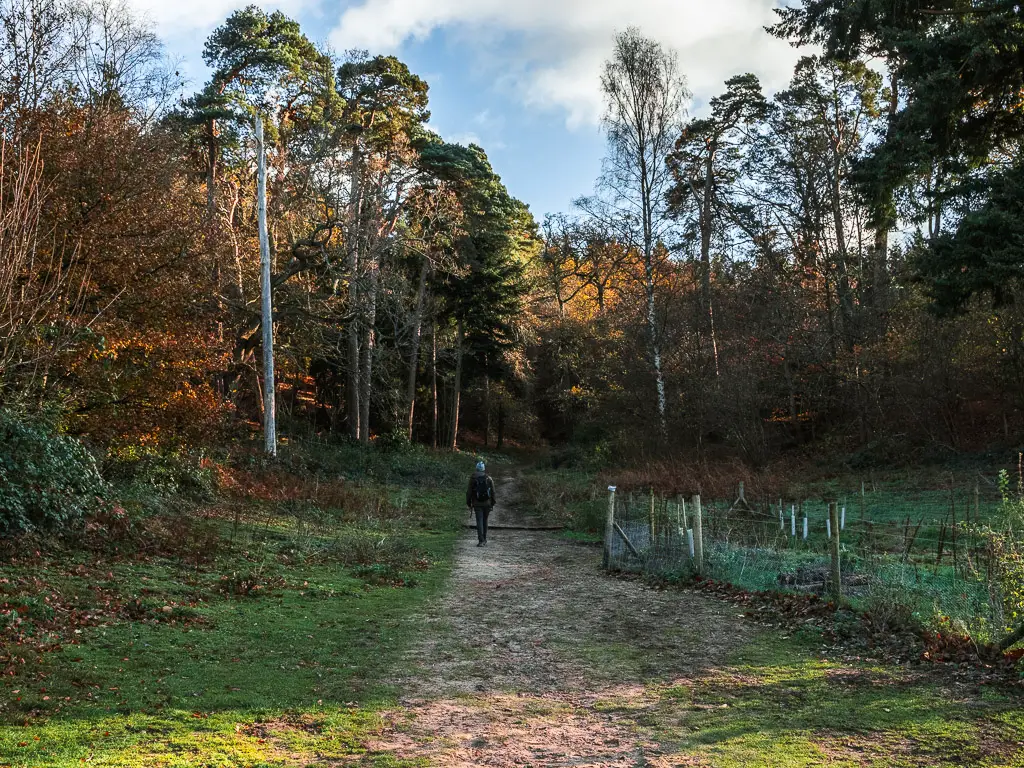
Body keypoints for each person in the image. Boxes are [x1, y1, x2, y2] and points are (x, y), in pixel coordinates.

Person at [466, 460, 496, 546]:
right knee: (485, 520)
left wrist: (468, 503)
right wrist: (493, 502)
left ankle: (481, 540)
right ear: (483, 469)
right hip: (487, 503)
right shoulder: (489, 478)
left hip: (477, 503)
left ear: (476, 469)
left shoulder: (472, 478)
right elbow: (493, 492)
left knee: (479, 520)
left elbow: (469, 492)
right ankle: (485, 539)